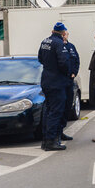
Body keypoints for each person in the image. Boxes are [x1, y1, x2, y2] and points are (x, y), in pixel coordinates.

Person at [37, 22, 70, 151]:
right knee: (56, 112)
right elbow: (64, 62)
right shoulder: (59, 43)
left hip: (46, 80)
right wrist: (65, 72)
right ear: (62, 33)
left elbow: (40, 58)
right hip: (56, 82)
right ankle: (51, 141)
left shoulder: (45, 41)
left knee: (48, 111)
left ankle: (45, 140)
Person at [60, 30, 80, 141]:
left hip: (69, 81)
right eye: (62, 34)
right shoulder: (57, 46)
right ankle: (57, 132)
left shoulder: (71, 47)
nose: (64, 36)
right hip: (60, 81)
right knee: (59, 107)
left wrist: (74, 72)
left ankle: (62, 130)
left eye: (66, 35)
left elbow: (76, 60)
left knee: (68, 106)